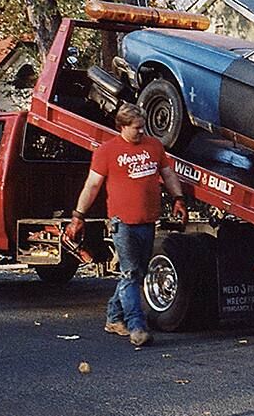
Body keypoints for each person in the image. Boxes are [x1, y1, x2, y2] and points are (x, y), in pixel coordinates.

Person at [65, 103, 187, 346]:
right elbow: (92, 186)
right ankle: (136, 326)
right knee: (131, 273)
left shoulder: (154, 146)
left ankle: (113, 317)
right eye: (136, 128)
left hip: (147, 220)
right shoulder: (107, 151)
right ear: (121, 127)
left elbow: (168, 174)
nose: (141, 132)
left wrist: (178, 199)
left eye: (143, 127)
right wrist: (78, 216)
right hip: (123, 223)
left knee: (136, 274)